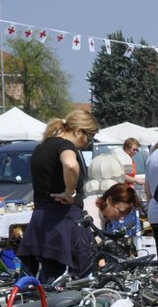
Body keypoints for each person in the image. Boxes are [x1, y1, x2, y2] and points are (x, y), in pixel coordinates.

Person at [18, 106, 99, 283]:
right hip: (63, 221)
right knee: (79, 279)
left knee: (48, 279)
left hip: (42, 220)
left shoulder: (42, 147)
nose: (88, 143)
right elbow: (71, 165)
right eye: (89, 137)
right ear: (78, 131)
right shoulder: (65, 145)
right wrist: (70, 192)